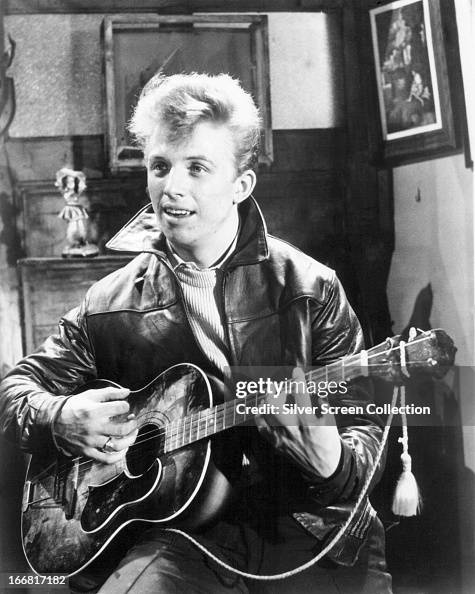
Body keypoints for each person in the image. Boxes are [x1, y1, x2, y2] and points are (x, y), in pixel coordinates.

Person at [0, 73, 391, 593]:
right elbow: (13, 391)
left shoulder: (310, 288)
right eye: (160, 166)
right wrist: (60, 417)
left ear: (241, 186)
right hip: (181, 533)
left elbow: (367, 433)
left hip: (309, 527)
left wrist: (333, 466)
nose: (172, 187)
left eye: (197, 167)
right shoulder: (108, 302)